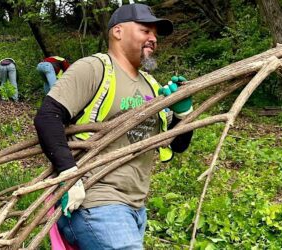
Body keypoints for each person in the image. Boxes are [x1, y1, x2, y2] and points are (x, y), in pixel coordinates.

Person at [33, 4, 194, 249]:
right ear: (118, 32)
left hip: (135, 209)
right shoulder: (95, 68)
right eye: (145, 31)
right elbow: (48, 117)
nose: (153, 39)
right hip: (95, 202)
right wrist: (69, 175)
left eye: (155, 35)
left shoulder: (151, 84)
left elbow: (177, 144)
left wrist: (183, 114)